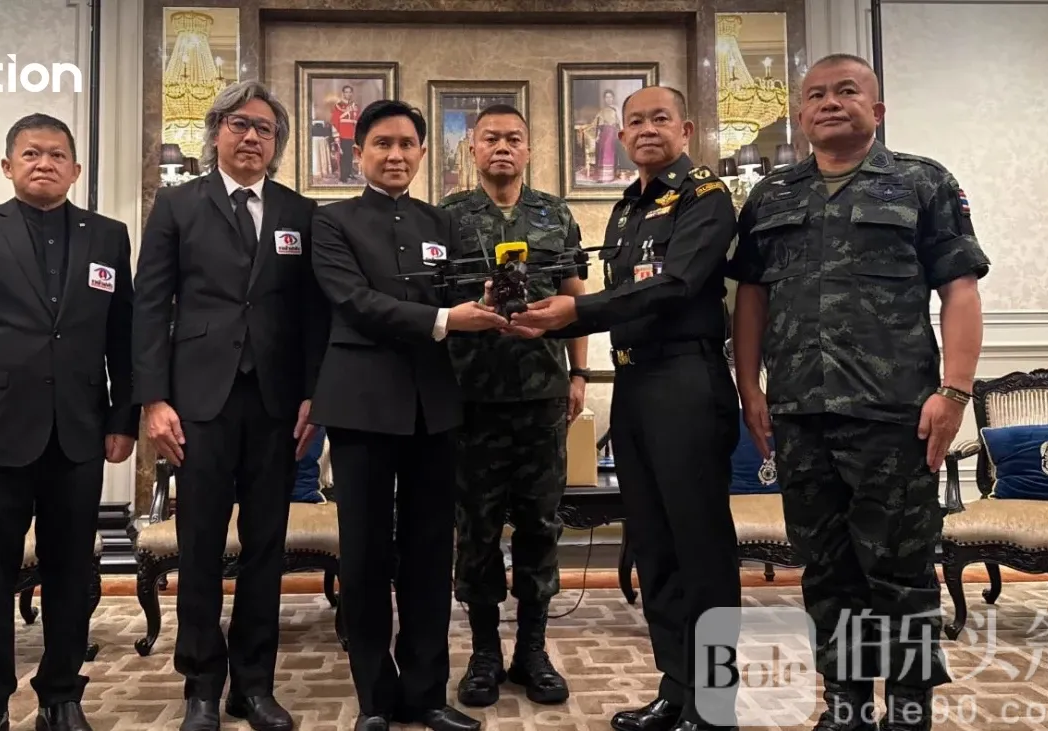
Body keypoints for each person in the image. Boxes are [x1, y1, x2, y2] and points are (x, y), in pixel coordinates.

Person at [730, 53, 988, 731]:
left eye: (846, 91)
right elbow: (751, 296)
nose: (829, 102)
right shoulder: (772, 194)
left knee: (900, 570)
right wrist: (749, 386)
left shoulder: (922, 182)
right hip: (799, 413)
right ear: (800, 114)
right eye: (815, 94)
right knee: (826, 570)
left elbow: (960, 289)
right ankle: (845, 703)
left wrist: (955, 391)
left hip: (894, 415)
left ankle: (908, 707)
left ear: (877, 110)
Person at [512, 85, 742, 731]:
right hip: (636, 383)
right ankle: (676, 687)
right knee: (654, 546)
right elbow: (623, 298)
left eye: (659, 118)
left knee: (700, 550)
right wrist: (550, 318)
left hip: (687, 381)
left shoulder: (705, 197)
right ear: (620, 137)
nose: (646, 129)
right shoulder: (626, 209)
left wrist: (573, 312)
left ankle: (714, 702)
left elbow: (676, 285)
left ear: (686, 129)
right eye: (634, 121)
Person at [0, 113, 139, 731]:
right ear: (7, 165)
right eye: (31, 153)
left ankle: (61, 695)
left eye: (57, 155)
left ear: (75, 169)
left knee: (73, 573)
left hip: (78, 434)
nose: (45, 163)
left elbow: (123, 337)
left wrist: (122, 417)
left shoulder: (108, 237)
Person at [132, 80, 326, 731]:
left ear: (277, 144)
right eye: (240, 124)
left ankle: (254, 684)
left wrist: (313, 394)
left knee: (267, 546)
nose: (251, 137)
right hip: (199, 402)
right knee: (200, 545)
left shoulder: (301, 211)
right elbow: (150, 304)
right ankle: (201, 686)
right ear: (216, 131)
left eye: (265, 129)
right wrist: (153, 399)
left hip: (277, 403)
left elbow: (314, 313)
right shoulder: (177, 205)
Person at [309, 99, 508, 731]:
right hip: (361, 404)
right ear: (358, 153)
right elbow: (353, 301)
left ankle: (426, 693)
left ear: (423, 153)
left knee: (429, 554)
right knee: (365, 555)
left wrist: (488, 299)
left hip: (433, 407)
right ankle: (375, 698)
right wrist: (446, 318)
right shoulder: (331, 221)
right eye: (382, 144)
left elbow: (457, 293)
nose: (395, 155)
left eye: (406, 145)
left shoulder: (438, 221)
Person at [436, 104, 588, 709]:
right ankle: (483, 654)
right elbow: (432, 305)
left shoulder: (555, 214)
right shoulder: (447, 217)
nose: (503, 147)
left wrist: (580, 374)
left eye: (514, 139)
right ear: (472, 150)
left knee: (539, 524)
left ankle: (532, 650)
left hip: (542, 394)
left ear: (529, 149)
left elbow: (575, 297)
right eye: (491, 138)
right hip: (470, 398)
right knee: (475, 529)